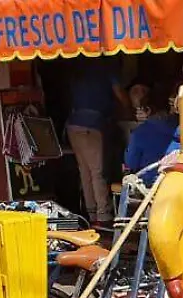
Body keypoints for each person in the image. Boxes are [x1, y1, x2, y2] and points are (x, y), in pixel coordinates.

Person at [66, 57, 129, 226]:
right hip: (92, 125)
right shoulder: (108, 68)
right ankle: (104, 217)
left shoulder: (79, 70)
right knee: (97, 172)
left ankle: (91, 213)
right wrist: (129, 108)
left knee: (85, 171)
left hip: (73, 124)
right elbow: (120, 94)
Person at [123, 83, 180, 185]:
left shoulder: (140, 133)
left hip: (150, 189)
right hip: (176, 187)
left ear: (148, 109)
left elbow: (131, 164)